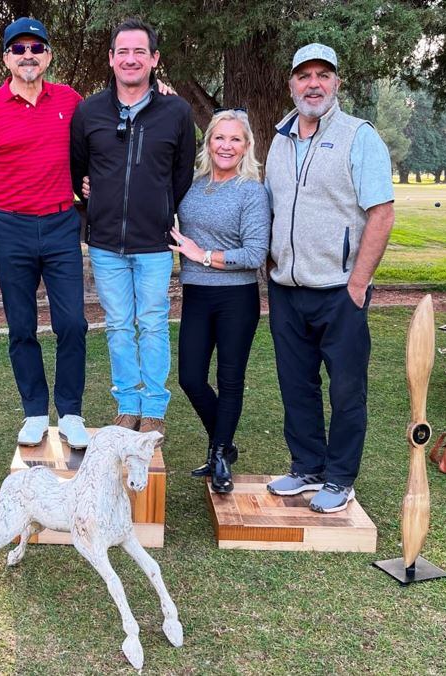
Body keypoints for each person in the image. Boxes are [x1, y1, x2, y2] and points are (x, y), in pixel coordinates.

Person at [265, 44, 395, 512]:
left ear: (337, 82)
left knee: (346, 389)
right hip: (286, 290)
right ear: (291, 84)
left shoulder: (359, 136)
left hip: (341, 291)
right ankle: (306, 467)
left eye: (323, 75)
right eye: (304, 76)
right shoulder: (280, 138)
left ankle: (340, 478)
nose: (313, 84)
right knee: (296, 384)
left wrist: (358, 283)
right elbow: (272, 210)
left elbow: (381, 213)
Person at [0, 17, 90, 449]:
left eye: (36, 48)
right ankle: (35, 411)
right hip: (11, 227)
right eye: (18, 49)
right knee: (21, 327)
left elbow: (104, 130)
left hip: (59, 225)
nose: (28, 55)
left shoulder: (70, 100)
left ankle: (71, 411)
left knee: (72, 323)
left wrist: (159, 89)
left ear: (48, 56)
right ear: (7, 58)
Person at [71, 18, 196, 444]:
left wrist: (160, 210)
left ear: (154, 59)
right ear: (111, 58)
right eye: (122, 52)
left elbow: (181, 177)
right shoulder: (89, 111)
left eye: (139, 52)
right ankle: (127, 404)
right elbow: (79, 171)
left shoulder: (176, 112)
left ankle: (154, 409)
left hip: (154, 244)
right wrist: (93, 198)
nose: (130, 59)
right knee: (120, 325)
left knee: (154, 323)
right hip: (105, 243)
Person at [170, 109, 270, 493]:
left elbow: (255, 254)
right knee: (191, 378)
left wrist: (204, 255)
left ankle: (218, 457)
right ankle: (224, 446)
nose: (226, 146)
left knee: (230, 380)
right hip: (197, 294)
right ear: (208, 142)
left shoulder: (251, 191)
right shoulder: (192, 186)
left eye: (235, 140)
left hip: (237, 298)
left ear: (246, 147)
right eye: (219, 138)